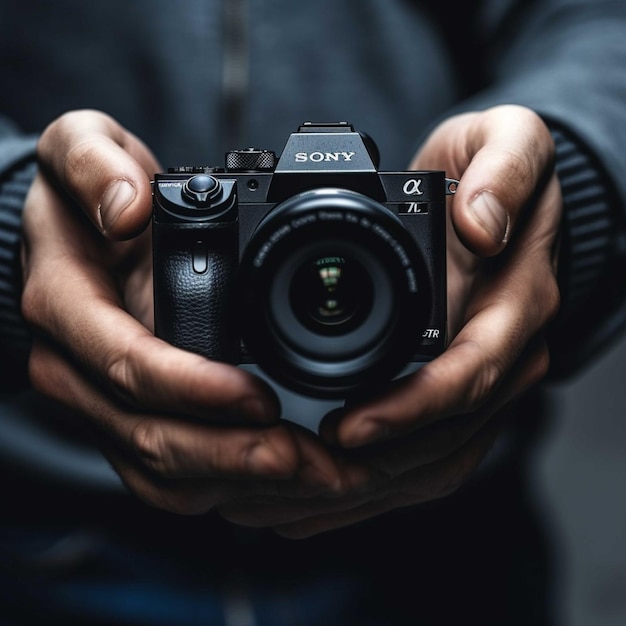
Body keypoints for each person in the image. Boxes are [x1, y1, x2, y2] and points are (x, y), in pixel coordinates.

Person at [1, 1, 625, 624]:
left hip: (450, 548)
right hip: (51, 531)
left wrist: (549, 189)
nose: (329, 289)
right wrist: (17, 219)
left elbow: (597, 20)